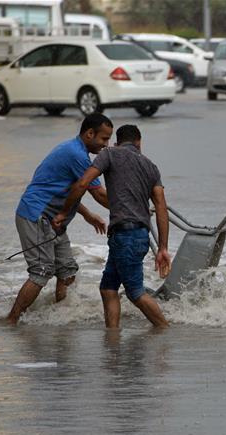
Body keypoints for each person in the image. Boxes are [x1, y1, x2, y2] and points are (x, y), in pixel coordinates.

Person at [52, 124, 171, 329]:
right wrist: (163, 247)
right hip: (136, 235)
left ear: (117, 142)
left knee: (135, 293)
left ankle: (165, 331)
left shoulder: (109, 154)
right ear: (139, 143)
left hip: (125, 236)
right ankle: (113, 336)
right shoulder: (151, 166)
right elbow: (161, 207)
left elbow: (83, 183)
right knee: (108, 289)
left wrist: (63, 212)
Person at [6, 114, 112, 325]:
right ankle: (11, 321)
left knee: (67, 271)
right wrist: (131, 208)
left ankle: (59, 320)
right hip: (36, 215)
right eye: (104, 138)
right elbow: (99, 194)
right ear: (90, 134)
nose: (106, 144)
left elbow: (67, 190)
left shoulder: (73, 149)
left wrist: (88, 215)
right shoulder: (77, 155)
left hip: (52, 219)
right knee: (41, 271)